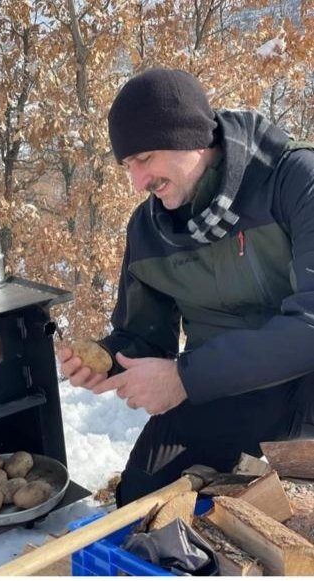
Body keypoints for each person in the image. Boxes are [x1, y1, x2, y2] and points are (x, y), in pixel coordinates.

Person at [58, 68, 314, 506]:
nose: (138, 182)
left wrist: (185, 378)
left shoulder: (295, 180)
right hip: (226, 390)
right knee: (141, 498)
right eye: (128, 166)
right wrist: (110, 364)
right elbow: (143, 338)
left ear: (190, 137)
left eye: (145, 159)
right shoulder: (147, 228)